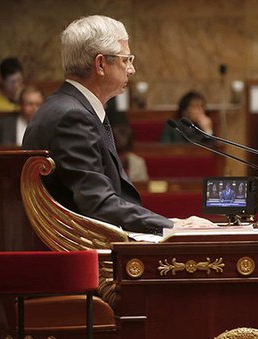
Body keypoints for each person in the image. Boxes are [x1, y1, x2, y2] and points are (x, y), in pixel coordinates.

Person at [23, 15, 211, 234]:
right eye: (126, 60)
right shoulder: (73, 116)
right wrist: (172, 226)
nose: (131, 70)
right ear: (100, 64)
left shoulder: (70, 106)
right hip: (79, 257)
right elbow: (98, 203)